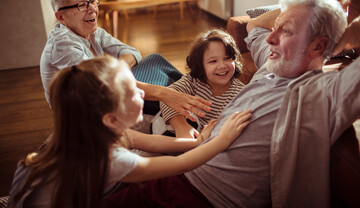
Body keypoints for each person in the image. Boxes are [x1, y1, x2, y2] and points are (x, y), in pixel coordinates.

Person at [103, 0, 360, 207]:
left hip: (205, 198)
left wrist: (344, 35)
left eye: (286, 32)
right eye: (277, 27)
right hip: (179, 170)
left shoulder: (324, 93)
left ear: (319, 46)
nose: (271, 38)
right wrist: (312, 3)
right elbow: (253, 26)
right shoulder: (272, 64)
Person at [8, 56, 252, 207]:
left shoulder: (90, 133)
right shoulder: (109, 159)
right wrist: (221, 140)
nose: (145, 93)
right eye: (134, 92)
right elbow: (182, 165)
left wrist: (199, 141)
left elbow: (157, 143)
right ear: (112, 118)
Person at [40, 0, 211, 120]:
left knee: (154, 60)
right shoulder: (63, 45)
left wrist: (115, 70)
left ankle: (194, 97)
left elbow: (133, 53)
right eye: (81, 5)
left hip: (106, 91)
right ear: (61, 17)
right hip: (90, 113)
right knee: (163, 89)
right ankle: (194, 105)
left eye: (92, 1)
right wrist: (163, 93)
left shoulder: (92, 32)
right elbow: (98, 85)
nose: (92, 8)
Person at [156, 28, 244, 138]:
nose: (222, 66)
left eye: (227, 58)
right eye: (213, 61)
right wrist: (181, 127)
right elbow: (167, 96)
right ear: (201, 67)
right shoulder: (193, 81)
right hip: (180, 136)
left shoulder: (241, 94)